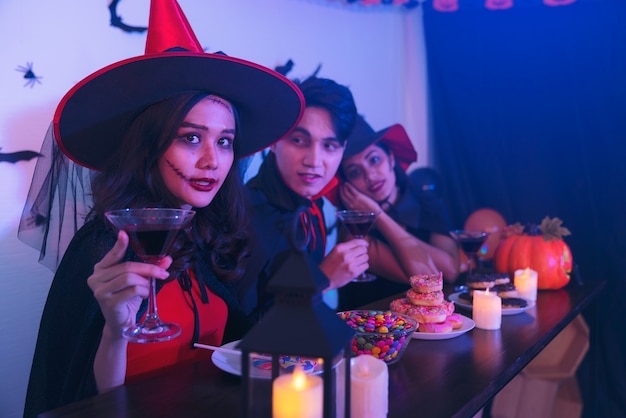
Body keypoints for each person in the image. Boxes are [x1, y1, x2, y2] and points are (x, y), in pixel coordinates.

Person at [18, 1, 304, 416]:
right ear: (149, 146)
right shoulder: (104, 245)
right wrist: (116, 333)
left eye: (224, 141)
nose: (212, 160)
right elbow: (79, 397)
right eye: (191, 138)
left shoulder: (205, 231)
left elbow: (235, 347)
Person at [238, 75, 368, 322]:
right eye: (299, 141)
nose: (314, 161)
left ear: (342, 149)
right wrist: (324, 279)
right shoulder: (248, 216)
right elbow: (245, 329)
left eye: (329, 146)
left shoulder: (314, 205)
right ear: (275, 141)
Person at [334, 115, 459, 310]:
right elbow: (429, 279)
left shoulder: (428, 202)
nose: (370, 175)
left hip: (431, 329)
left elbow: (451, 271)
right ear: (347, 185)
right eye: (355, 172)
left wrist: (378, 214)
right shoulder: (354, 232)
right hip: (372, 334)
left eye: (374, 160)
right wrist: (378, 215)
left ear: (391, 158)